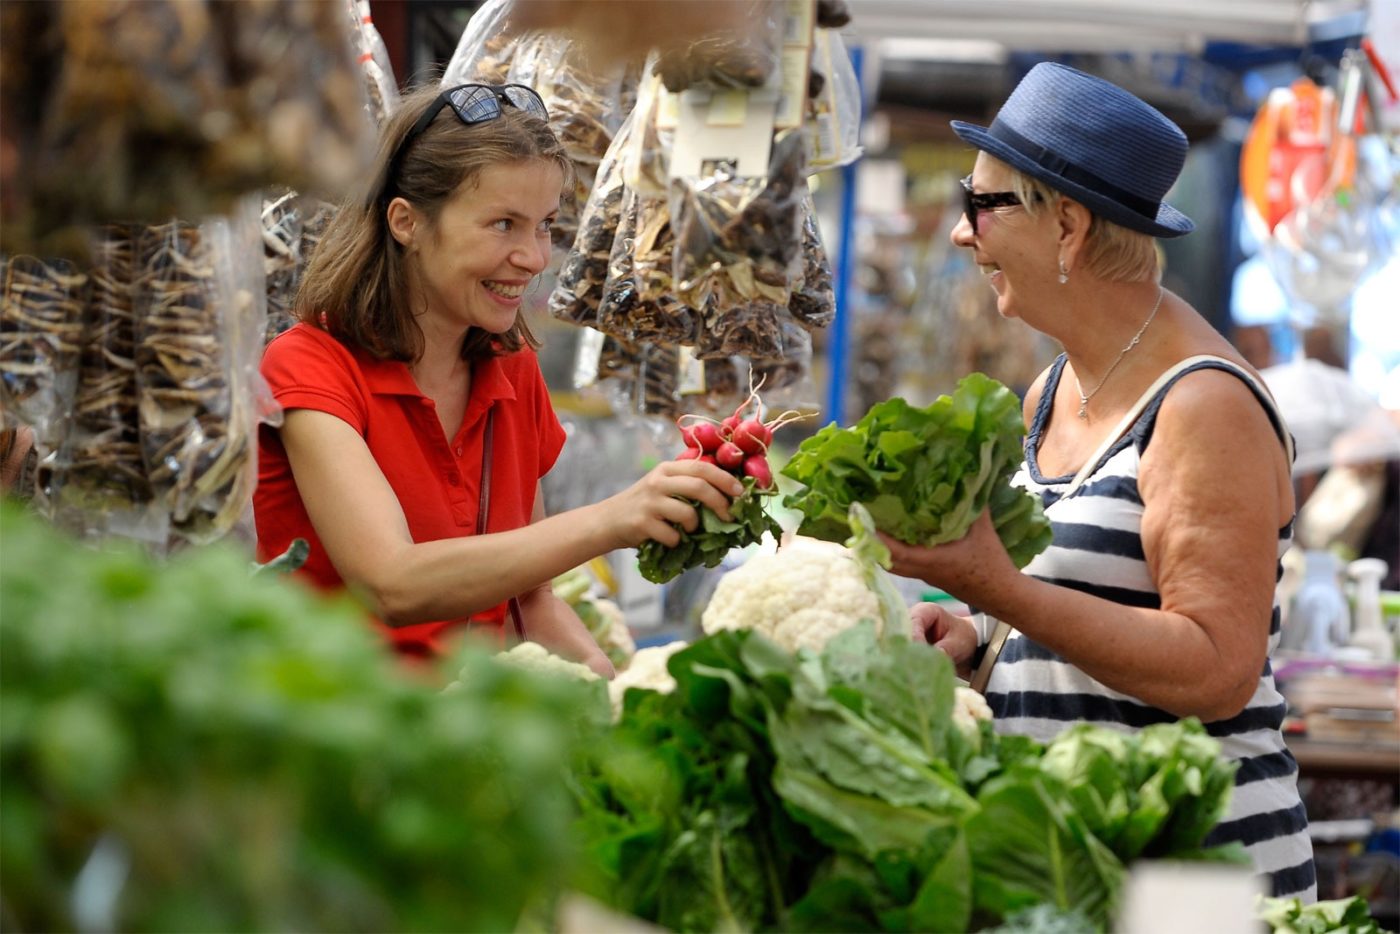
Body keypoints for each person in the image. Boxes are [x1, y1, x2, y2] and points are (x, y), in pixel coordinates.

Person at [888, 63, 1316, 899]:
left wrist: (999, 590)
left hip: (1190, 879)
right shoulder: (1056, 387)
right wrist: (978, 639)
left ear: (1068, 228)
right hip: (1071, 865)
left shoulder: (1204, 404)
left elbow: (1216, 667)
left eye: (981, 204)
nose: (960, 233)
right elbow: (1074, 610)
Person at [253, 83, 743, 676]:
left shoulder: (512, 371)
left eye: (544, 226)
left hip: (466, 734)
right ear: (406, 222)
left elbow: (524, 599)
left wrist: (614, 692)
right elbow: (390, 584)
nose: (535, 257)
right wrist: (613, 520)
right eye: (504, 224)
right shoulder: (308, 367)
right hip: (334, 733)